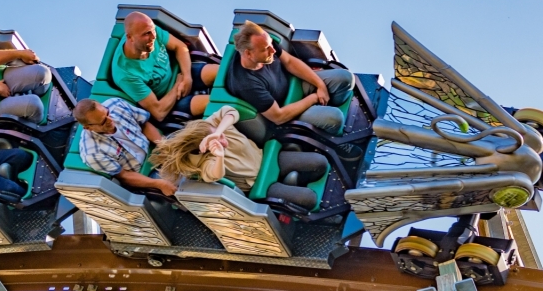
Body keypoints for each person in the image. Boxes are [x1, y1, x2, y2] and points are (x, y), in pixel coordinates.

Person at [151, 105, 329, 210]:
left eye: (219, 135)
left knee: (321, 163)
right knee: (310, 199)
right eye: (218, 140)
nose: (223, 139)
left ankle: (293, 180)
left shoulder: (213, 127)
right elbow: (214, 174)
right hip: (259, 183)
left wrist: (218, 132)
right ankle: (289, 184)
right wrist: (219, 154)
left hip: (266, 160)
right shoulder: (204, 162)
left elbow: (231, 112)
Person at [225, 20, 355, 135]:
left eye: (271, 45)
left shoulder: (265, 44)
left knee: (345, 77)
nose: (273, 51)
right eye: (266, 49)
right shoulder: (247, 84)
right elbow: (279, 116)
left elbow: (289, 62)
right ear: (248, 53)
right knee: (335, 118)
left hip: (294, 85)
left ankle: (332, 102)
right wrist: (314, 97)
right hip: (289, 113)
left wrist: (320, 85)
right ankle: (339, 138)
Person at [111, 12, 218, 122]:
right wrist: (177, 84)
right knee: (217, 102)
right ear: (130, 37)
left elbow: (180, 47)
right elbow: (159, 112)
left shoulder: (150, 30)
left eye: (153, 31)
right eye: (146, 34)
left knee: (219, 72)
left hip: (181, 73)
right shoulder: (126, 75)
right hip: (171, 103)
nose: (153, 37)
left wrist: (187, 77)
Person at [73, 98, 177, 196]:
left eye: (107, 113)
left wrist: (163, 145)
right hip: (143, 173)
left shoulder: (116, 104)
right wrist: (159, 184)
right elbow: (124, 176)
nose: (110, 120)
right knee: (177, 182)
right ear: (88, 128)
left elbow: (144, 124)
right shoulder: (93, 153)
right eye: (103, 122)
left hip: (153, 146)